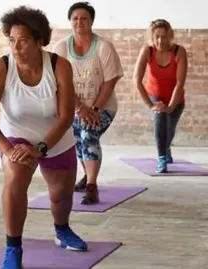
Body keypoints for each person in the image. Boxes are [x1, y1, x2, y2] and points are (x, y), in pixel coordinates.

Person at [0, 6, 88, 269]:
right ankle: (13, 248)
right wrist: (7, 149)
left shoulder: (59, 66)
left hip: (56, 138)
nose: (16, 47)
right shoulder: (0, 67)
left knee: (61, 195)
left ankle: (62, 230)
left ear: (39, 41)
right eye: (11, 40)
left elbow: (64, 116)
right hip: (17, 135)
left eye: (23, 41)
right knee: (15, 180)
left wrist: (42, 147)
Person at [52, 2, 124, 205]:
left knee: (88, 135)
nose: (79, 22)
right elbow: (60, 82)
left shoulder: (103, 47)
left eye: (84, 18)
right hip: (73, 107)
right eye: (75, 18)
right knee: (77, 141)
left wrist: (94, 109)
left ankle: (92, 186)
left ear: (91, 21)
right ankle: (87, 176)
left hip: (103, 107)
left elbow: (111, 80)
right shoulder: (61, 48)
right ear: (70, 22)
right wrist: (80, 108)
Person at [133, 19, 187, 173]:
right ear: (152, 36)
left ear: (170, 36)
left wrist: (170, 107)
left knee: (169, 129)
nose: (160, 41)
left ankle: (166, 146)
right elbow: (136, 80)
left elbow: (179, 83)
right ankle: (162, 157)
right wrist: (151, 106)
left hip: (176, 99)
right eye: (157, 36)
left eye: (164, 37)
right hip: (154, 97)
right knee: (160, 119)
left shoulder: (179, 52)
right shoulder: (148, 51)